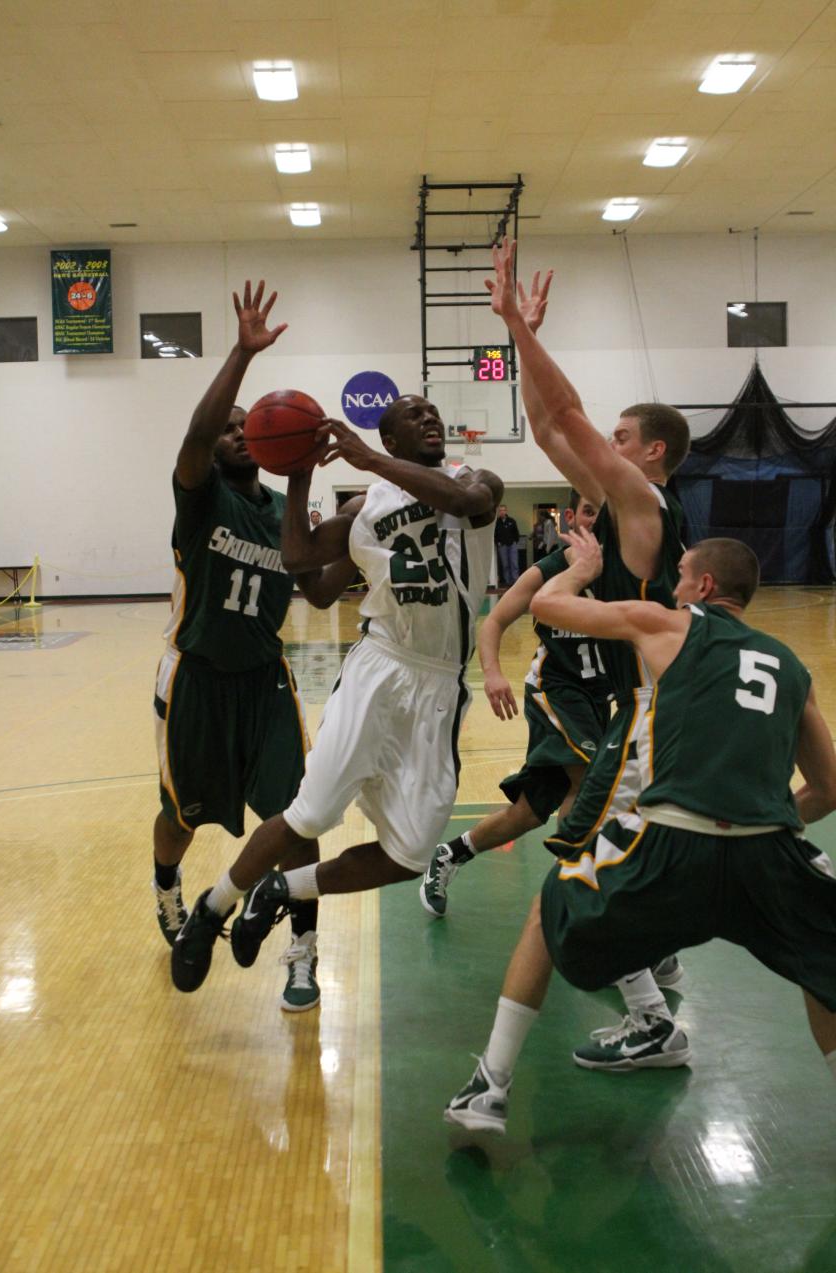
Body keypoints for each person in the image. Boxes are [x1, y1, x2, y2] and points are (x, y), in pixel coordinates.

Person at [446, 534, 836, 1133]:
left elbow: (547, 606)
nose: (672, 585)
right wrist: (753, 819)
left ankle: (489, 1087)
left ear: (703, 587)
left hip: (675, 844)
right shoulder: (792, 666)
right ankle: (651, 1018)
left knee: (549, 907)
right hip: (769, 851)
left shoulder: (668, 625)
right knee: (823, 967)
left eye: (680, 575)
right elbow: (828, 790)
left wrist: (580, 569)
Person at [170, 394, 504, 992]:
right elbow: (302, 564)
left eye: (432, 410)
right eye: (413, 415)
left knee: (408, 855)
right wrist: (298, 480)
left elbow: (464, 502)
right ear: (394, 439)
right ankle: (214, 907)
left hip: (438, 681)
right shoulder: (365, 509)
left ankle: (282, 888)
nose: (429, 417)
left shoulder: (474, 481)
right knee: (309, 813)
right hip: (379, 666)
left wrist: (369, 459)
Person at [485, 239, 692, 1064]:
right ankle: (659, 956)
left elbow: (567, 417)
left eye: (622, 435)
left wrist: (518, 329)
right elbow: (545, 423)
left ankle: (652, 1019)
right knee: (605, 847)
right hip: (631, 710)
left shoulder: (644, 503)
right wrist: (517, 343)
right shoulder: (612, 505)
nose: (605, 442)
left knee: (581, 854)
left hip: (653, 712)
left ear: (652, 453)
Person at [152, 279, 355, 1012]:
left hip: (265, 680)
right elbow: (195, 437)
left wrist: (365, 534)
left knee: (297, 818)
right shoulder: (200, 493)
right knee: (181, 813)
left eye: (248, 425)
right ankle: (169, 888)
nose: (237, 431)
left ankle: (303, 952)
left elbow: (323, 592)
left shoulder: (283, 514)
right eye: (229, 426)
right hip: (197, 677)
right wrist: (241, 352)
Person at [420, 488, 609, 917]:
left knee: (530, 811)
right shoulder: (548, 570)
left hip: (599, 697)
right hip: (556, 690)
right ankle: (579, 895)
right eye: (588, 511)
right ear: (571, 518)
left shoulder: (627, 567)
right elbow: (496, 621)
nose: (595, 521)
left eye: (603, 513)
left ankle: (452, 853)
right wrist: (491, 673)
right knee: (588, 781)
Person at [494, 504, 520, 587]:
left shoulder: (511, 521)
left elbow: (516, 532)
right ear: (499, 512)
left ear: (506, 511)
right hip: (502, 546)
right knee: (505, 565)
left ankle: (515, 581)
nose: (502, 512)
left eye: (503, 510)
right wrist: (497, 542)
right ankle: (508, 582)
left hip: (512, 545)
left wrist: (515, 541)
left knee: (514, 563)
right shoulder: (496, 522)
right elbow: (494, 534)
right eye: (500, 510)